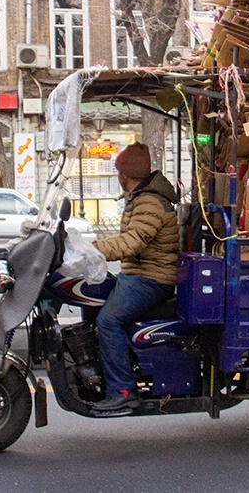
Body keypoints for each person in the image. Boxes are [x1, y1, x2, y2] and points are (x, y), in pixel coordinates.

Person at [91, 142, 179, 412]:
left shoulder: (150, 202)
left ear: (125, 175)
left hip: (152, 279)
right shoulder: (140, 199)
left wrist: (92, 250)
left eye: (118, 172)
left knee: (108, 321)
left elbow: (132, 242)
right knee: (93, 295)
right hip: (137, 275)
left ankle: (122, 390)